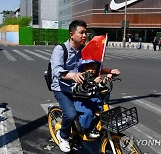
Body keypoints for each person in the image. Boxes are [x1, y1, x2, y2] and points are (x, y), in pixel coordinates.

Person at [50, 20, 120, 152]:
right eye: (81, 32)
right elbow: (56, 71)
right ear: (71, 34)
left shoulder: (84, 50)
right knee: (70, 114)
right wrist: (73, 76)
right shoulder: (60, 50)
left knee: (97, 105)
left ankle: (87, 129)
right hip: (62, 88)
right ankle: (63, 136)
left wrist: (110, 71)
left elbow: (94, 67)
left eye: (85, 33)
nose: (84, 35)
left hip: (81, 87)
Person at [73, 60, 119, 138]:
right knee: (88, 113)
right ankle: (84, 130)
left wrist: (105, 80)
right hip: (81, 100)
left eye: (95, 68)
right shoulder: (81, 76)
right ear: (84, 67)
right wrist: (94, 82)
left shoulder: (95, 76)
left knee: (102, 111)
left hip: (91, 99)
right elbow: (83, 89)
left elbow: (98, 87)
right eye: (91, 68)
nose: (93, 70)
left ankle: (95, 127)